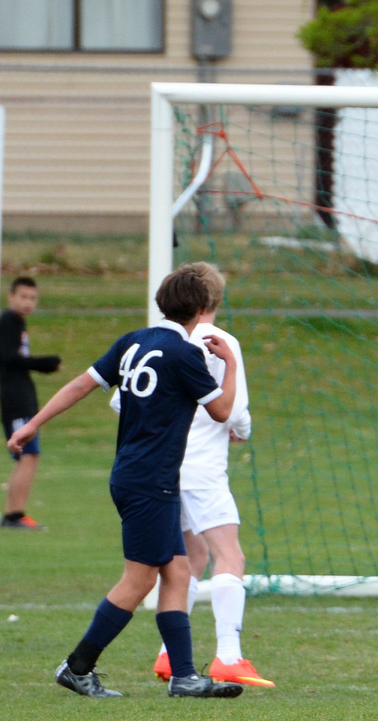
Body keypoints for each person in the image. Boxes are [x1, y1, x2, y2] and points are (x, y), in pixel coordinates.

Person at [7, 263, 244, 699]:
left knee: (176, 570)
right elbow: (224, 412)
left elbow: (81, 384)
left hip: (139, 474)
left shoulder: (134, 341)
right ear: (203, 308)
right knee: (139, 580)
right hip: (150, 480)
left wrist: (32, 424)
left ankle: (184, 675)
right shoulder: (186, 355)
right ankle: (77, 666)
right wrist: (227, 364)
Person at [113, 265, 273, 687]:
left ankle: (169, 655)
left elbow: (120, 402)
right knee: (229, 555)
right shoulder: (223, 344)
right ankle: (228, 655)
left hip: (163, 468)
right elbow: (235, 415)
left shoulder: (153, 342)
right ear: (212, 304)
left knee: (188, 561)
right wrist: (240, 430)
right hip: (202, 468)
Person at [0, 276, 61, 530]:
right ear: (11, 297)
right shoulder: (8, 320)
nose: (27, 302)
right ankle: (14, 515)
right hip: (15, 400)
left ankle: (13, 514)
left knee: (28, 456)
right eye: (23, 296)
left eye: (32, 298)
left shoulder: (17, 323)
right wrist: (41, 363)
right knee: (29, 454)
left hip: (23, 397)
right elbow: (7, 357)